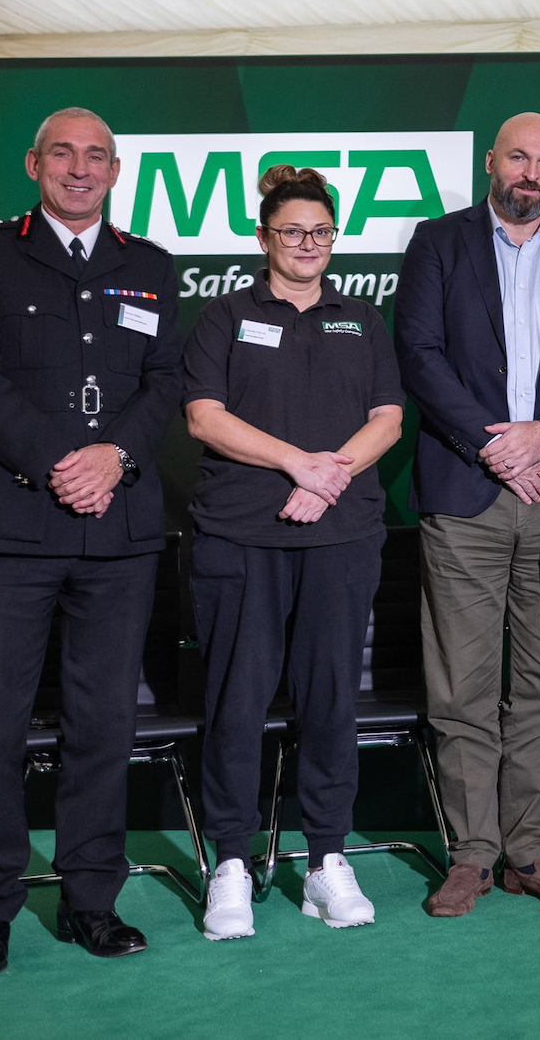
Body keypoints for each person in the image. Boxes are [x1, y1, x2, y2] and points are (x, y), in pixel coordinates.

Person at [0, 106, 181, 975]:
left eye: (97, 157)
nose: (80, 169)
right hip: (5, 525)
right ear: (35, 162)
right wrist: (57, 461)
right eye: (63, 154)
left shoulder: (149, 265)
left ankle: (91, 899)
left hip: (116, 532)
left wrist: (112, 456)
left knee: (102, 724)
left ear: (116, 171)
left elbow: (164, 383)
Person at [396, 112, 540, 916]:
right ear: (492, 160)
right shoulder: (437, 243)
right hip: (467, 490)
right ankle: (473, 855)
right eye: (519, 156)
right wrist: (493, 445)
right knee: (463, 686)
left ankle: (530, 850)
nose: (531, 173)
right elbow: (416, 354)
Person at [181, 166, 404, 938]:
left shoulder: (363, 320)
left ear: (333, 238)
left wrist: (327, 477)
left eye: (319, 231)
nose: (306, 244)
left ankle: (325, 862)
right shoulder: (224, 316)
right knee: (237, 705)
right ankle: (232, 864)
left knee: (330, 703)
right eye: (291, 231)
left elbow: (387, 420)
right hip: (241, 537)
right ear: (262, 237)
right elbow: (206, 418)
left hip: (340, 536)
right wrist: (294, 462)